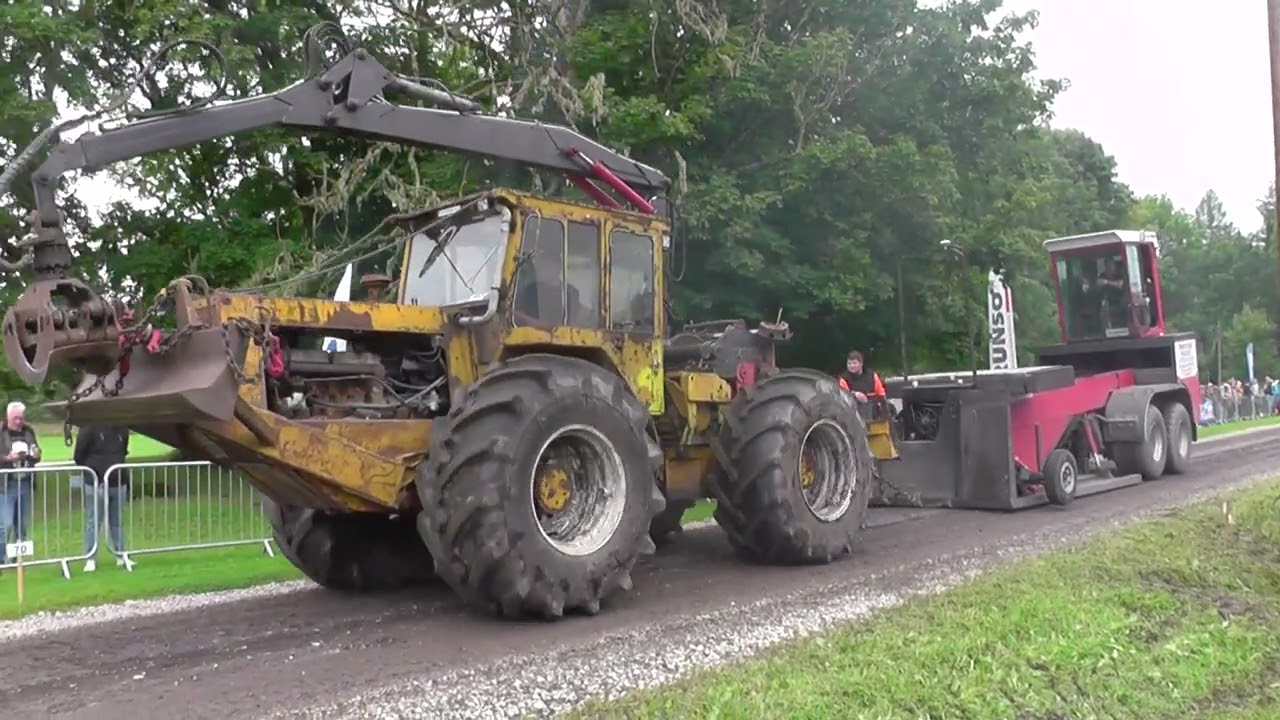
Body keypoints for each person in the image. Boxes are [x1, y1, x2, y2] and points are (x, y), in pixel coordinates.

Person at [75, 423, 131, 571]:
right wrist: (95, 470)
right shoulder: (88, 427)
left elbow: (123, 451)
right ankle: (90, 558)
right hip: (95, 482)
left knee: (117, 520)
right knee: (93, 521)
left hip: (118, 481)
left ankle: (120, 555)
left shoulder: (122, 428)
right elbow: (79, 456)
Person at [0, 401, 41, 566]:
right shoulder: (1, 432)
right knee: (6, 524)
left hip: (24, 482)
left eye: (21, 418)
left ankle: (18, 559)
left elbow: (37, 455)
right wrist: (7, 459)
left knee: (21, 524)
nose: (19, 422)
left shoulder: (28, 431)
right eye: (16, 418)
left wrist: (36, 454)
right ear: (8, 416)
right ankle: (1, 558)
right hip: (5, 484)